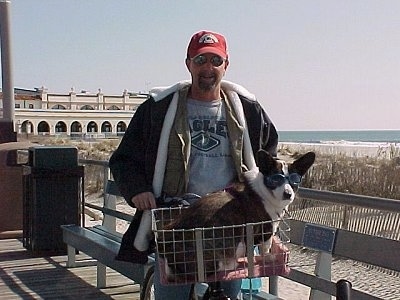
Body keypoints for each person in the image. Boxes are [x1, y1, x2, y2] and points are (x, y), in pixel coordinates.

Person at [109, 30, 279, 300]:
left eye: (215, 60)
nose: (207, 68)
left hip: (230, 222)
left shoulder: (246, 109)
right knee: (173, 293)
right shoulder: (158, 109)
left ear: (226, 64)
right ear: (188, 64)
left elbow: (267, 156)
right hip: (177, 219)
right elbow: (123, 158)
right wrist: (137, 189)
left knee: (229, 294)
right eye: (200, 60)